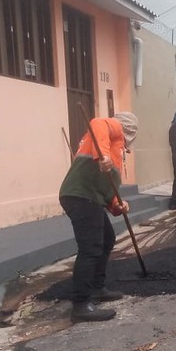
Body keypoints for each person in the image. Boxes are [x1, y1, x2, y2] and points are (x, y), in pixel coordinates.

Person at [59, 112, 138, 323]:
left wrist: (117, 205)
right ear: (127, 129)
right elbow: (97, 123)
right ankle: (81, 304)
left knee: (107, 239)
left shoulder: (115, 149)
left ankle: (97, 287)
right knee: (91, 247)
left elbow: (105, 190)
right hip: (80, 195)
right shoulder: (109, 129)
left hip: (90, 197)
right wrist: (102, 155)